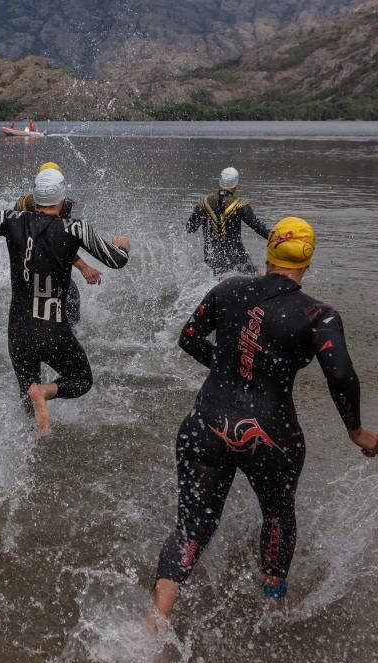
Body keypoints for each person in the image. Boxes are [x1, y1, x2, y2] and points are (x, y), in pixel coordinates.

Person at [150, 217, 378, 627]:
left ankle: (156, 618)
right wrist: (356, 431)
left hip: (206, 422)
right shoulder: (318, 315)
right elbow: (341, 374)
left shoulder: (226, 289)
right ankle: (272, 605)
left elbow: (189, 337)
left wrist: (226, 366)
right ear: (307, 261)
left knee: (191, 527)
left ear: (268, 250)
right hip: (271, 435)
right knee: (276, 514)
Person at [0, 168, 131, 435]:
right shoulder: (75, 228)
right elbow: (116, 260)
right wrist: (122, 245)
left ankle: (34, 443)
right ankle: (46, 392)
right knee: (81, 379)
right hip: (52, 331)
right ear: (62, 197)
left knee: (26, 393)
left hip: (17, 331)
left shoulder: (10, 218)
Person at [13, 161, 104, 326]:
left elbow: (60, 241)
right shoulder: (24, 205)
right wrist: (84, 267)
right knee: (67, 292)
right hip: (32, 262)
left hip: (40, 265)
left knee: (67, 293)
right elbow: (47, 241)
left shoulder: (64, 205)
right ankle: (69, 332)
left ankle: (70, 330)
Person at [187, 167, 270, 275]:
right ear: (236, 185)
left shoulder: (204, 203)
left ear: (220, 182)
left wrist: (203, 221)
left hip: (212, 257)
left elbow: (190, 228)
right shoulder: (240, 204)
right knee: (255, 277)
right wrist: (276, 237)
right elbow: (257, 226)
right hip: (237, 256)